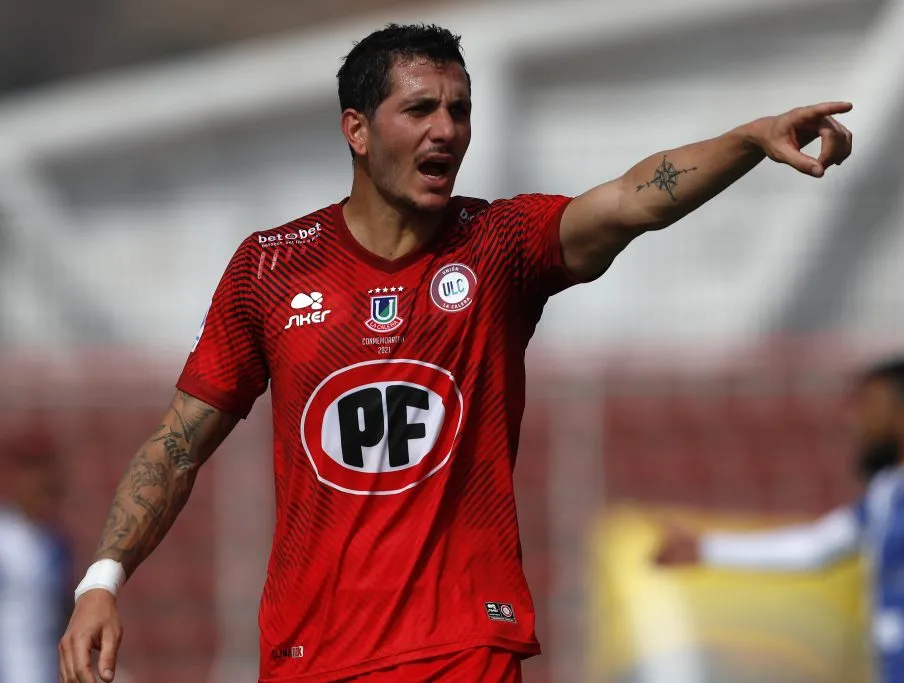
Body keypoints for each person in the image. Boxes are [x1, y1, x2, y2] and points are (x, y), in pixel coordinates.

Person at [59, 22, 854, 683]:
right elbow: (177, 443)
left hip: (463, 645)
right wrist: (103, 580)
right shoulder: (271, 267)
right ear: (358, 130)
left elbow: (633, 199)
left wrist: (750, 140)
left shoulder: (500, 246)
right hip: (310, 653)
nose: (448, 129)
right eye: (421, 109)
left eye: (461, 110)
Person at [655, 357, 904, 683]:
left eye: (871, 407)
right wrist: (709, 549)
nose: (857, 420)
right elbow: (817, 546)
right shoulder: (890, 492)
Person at [0, 425, 73, 683]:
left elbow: (64, 613)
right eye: (30, 470)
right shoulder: (4, 537)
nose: (39, 481)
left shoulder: (56, 543)